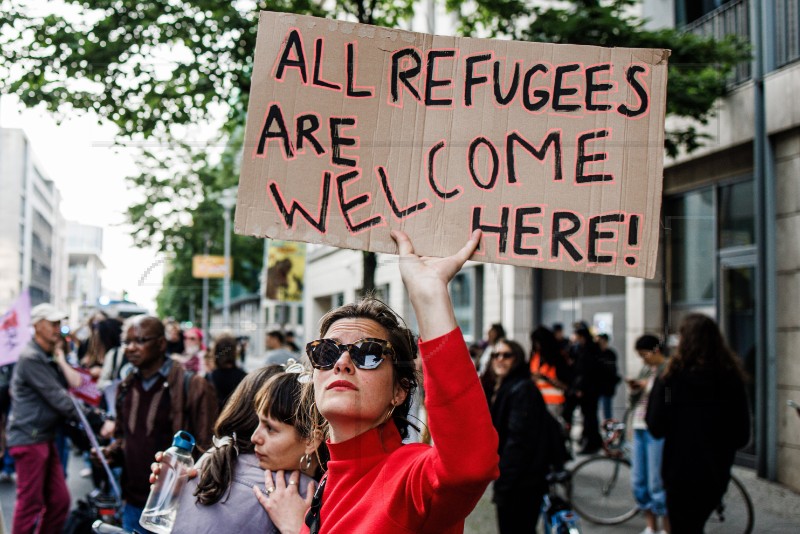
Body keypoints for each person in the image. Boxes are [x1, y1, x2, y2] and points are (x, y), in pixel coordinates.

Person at [257, 229, 499, 534]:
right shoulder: (323, 484)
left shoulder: (411, 475)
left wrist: (429, 296)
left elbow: (470, 466)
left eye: (369, 354)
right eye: (327, 352)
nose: (342, 362)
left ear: (399, 391)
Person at [165, 366, 323, 533]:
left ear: (311, 440)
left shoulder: (211, 463)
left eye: (270, 428)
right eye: (258, 423)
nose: (255, 437)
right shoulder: (307, 493)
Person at [101, 315, 219, 532]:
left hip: (174, 511)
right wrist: (111, 452)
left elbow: (210, 450)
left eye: (140, 340)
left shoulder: (193, 385)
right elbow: (123, 437)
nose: (131, 348)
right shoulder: (125, 387)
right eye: (127, 342)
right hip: (132, 505)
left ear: (161, 343)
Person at [646, 314, 750, 533]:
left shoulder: (670, 379)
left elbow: (656, 426)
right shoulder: (730, 378)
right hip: (715, 471)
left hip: (679, 471)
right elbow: (741, 435)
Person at [6, 303, 80, 533]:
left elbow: (74, 383)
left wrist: (60, 357)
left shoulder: (46, 355)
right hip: (29, 438)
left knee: (59, 502)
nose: (59, 328)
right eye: (53, 324)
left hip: (44, 437)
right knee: (30, 504)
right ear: (37, 326)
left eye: (60, 323)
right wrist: (94, 419)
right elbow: (59, 398)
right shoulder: (30, 357)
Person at [484, 338, 550, 533]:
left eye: (507, 355)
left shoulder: (522, 389)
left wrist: (504, 481)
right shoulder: (505, 387)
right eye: (496, 355)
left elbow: (518, 441)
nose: (500, 359)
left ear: (517, 359)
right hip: (516, 478)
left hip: (523, 482)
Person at [628, 335, 669, 534]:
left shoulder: (667, 369)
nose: (643, 359)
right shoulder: (647, 369)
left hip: (656, 429)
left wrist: (648, 387)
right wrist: (636, 388)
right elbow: (635, 400)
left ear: (655, 351)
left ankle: (665, 528)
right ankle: (651, 527)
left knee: (656, 482)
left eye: (644, 354)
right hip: (639, 425)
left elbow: (668, 399)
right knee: (639, 481)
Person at [529, 326, 570, 417]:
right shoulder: (535, 357)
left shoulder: (558, 359)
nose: (537, 345)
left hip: (554, 403)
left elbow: (566, 385)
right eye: (535, 342)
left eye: (538, 342)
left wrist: (545, 378)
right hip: (536, 401)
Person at [206, 334, 248, 409]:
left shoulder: (209, 376)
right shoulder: (244, 376)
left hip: (216, 418)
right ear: (234, 352)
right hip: (236, 418)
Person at [596, 333, 621, 421]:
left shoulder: (610, 354)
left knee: (607, 410)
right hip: (596, 386)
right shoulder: (595, 353)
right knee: (593, 411)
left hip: (607, 387)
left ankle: (608, 428)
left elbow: (613, 371)